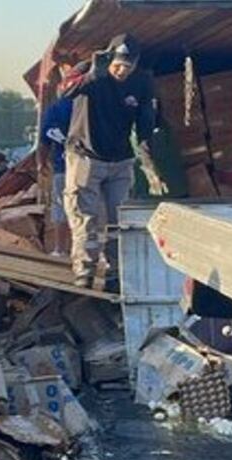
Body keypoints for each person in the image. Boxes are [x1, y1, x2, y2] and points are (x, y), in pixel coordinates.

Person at [60, 34, 166, 288]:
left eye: (127, 68)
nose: (121, 71)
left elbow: (145, 123)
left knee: (118, 219)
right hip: (86, 156)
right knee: (85, 218)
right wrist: (90, 76)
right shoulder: (90, 70)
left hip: (120, 160)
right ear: (110, 59)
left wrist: (149, 164)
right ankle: (85, 270)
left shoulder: (142, 82)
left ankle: (114, 272)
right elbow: (63, 92)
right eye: (117, 66)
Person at [41, 96, 73, 256]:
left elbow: (45, 136)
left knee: (61, 206)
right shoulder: (98, 100)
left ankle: (60, 249)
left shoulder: (57, 107)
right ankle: (88, 250)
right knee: (89, 208)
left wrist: (41, 161)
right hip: (94, 165)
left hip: (64, 164)